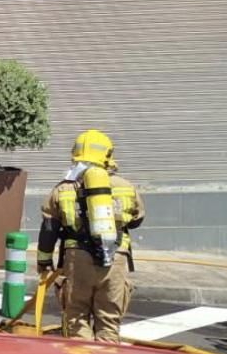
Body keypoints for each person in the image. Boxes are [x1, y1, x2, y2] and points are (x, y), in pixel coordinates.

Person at [36, 129, 146, 343]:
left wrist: (44, 262)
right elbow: (137, 220)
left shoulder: (63, 189)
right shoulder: (126, 187)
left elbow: (49, 228)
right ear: (107, 155)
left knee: (76, 318)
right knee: (109, 322)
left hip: (78, 262)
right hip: (116, 259)